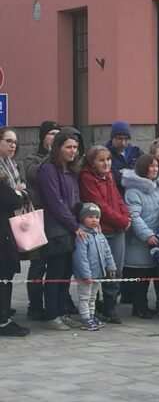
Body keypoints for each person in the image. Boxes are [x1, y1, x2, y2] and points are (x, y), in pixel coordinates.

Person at [36, 128, 86, 330]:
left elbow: (75, 200)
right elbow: (55, 202)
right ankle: (52, 315)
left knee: (66, 273)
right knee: (55, 273)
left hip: (69, 227)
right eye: (68, 147)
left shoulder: (70, 171)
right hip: (56, 228)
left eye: (75, 147)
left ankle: (62, 311)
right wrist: (74, 225)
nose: (73, 151)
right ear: (58, 148)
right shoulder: (48, 169)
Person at [78, 145, 131, 324]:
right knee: (97, 270)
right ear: (92, 162)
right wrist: (122, 220)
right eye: (101, 160)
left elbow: (117, 199)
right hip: (99, 230)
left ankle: (110, 306)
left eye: (108, 159)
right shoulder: (87, 178)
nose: (106, 163)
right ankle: (96, 306)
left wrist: (126, 216)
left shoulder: (108, 176)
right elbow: (100, 206)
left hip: (117, 230)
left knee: (115, 269)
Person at [122, 154, 159, 319]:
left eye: (156, 166)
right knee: (140, 277)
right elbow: (134, 217)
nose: (155, 169)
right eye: (151, 166)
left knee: (158, 274)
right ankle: (140, 307)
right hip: (140, 241)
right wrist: (147, 234)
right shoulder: (133, 191)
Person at [22, 120, 59, 320]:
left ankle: (57, 303)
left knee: (58, 264)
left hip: (57, 219)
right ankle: (34, 305)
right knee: (38, 264)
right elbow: (33, 175)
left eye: (57, 134)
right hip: (37, 217)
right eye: (51, 134)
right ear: (43, 137)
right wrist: (51, 158)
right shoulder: (33, 158)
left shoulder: (62, 159)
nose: (54, 138)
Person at [0, 129, 29, 336]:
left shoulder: (10, 166)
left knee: (8, 271)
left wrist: (20, 193)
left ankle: (4, 314)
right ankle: (2, 320)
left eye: (15, 142)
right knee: (3, 271)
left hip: (8, 225)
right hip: (2, 228)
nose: (13, 145)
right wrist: (20, 193)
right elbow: (11, 199)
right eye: (8, 141)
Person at [71, 203, 116, 330]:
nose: (94, 220)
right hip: (86, 275)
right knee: (84, 297)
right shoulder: (81, 236)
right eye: (90, 217)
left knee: (93, 297)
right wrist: (86, 274)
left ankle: (91, 316)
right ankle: (85, 318)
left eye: (96, 217)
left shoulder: (99, 235)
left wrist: (111, 267)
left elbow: (107, 252)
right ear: (82, 218)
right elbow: (80, 258)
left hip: (98, 273)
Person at [105, 121, 143, 193]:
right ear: (112, 138)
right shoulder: (105, 154)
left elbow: (143, 173)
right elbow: (114, 179)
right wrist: (132, 173)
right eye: (119, 138)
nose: (123, 143)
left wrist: (125, 172)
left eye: (126, 139)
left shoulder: (136, 152)